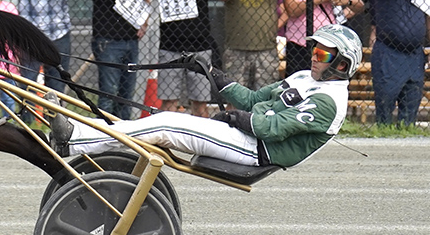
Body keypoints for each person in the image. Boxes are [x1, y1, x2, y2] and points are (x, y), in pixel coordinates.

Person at [49, 24, 362, 169]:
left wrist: (236, 119)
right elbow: (253, 100)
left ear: (342, 64)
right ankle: (83, 131)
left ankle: (73, 140)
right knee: (164, 123)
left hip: (257, 150)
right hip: (246, 136)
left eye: (321, 53)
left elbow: (273, 128)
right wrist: (213, 74)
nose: (313, 56)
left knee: (166, 124)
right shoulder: (305, 77)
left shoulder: (330, 101)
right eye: (315, 50)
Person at [143, 0, 222, 117]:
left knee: (200, 102)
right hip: (170, 48)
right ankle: (167, 140)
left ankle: (200, 140)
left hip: (200, 48)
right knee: (169, 102)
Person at [85, 0, 149, 120]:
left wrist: (144, 24)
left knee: (126, 95)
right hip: (108, 41)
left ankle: (124, 138)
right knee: (108, 94)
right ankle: (101, 137)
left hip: (131, 41)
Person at [369, 0, 428, 125]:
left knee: (411, 106)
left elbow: (428, 15)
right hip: (388, 52)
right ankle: (383, 137)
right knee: (385, 107)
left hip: (414, 55)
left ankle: (405, 135)